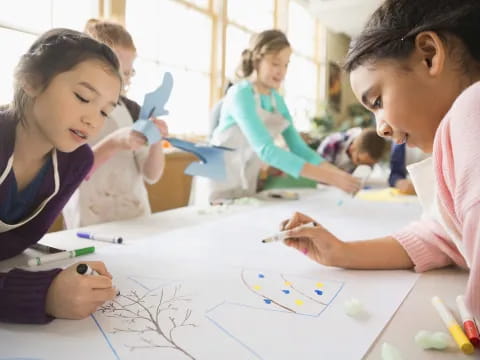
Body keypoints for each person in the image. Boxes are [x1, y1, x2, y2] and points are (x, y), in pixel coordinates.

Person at [281, 0, 480, 318]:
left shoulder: (473, 105)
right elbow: (441, 236)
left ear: (428, 55)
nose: (381, 129)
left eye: (377, 101)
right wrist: (342, 252)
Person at [0, 28, 121, 323]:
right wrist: (41, 293)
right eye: (83, 97)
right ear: (31, 81)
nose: (93, 120)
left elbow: (13, 246)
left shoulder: (76, 162)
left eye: (106, 111)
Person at [201, 30, 360, 204]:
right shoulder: (239, 94)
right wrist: (331, 178)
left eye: (286, 64)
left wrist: (340, 175)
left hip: (246, 180)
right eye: (275, 63)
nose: (281, 72)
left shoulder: (277, 101)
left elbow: (300, 149)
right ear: (257, 60)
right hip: (218, 179)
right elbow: (266, 150)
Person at [62, 19, 168, 228]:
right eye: (116, 72)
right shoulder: (70, 111)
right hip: (89, 222)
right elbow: (71, 176)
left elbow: (152, 175)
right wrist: (114, 143)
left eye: (127, 73)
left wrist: (157, 141)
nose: (121, 82)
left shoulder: (133, 111)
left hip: (134, 217)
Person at [317, 127, 387, 173]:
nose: (360, 166)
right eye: (358, 160)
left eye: (368, 164)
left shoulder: (368, 157)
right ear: (352, 148)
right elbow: (318, 171)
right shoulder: (331, 144)